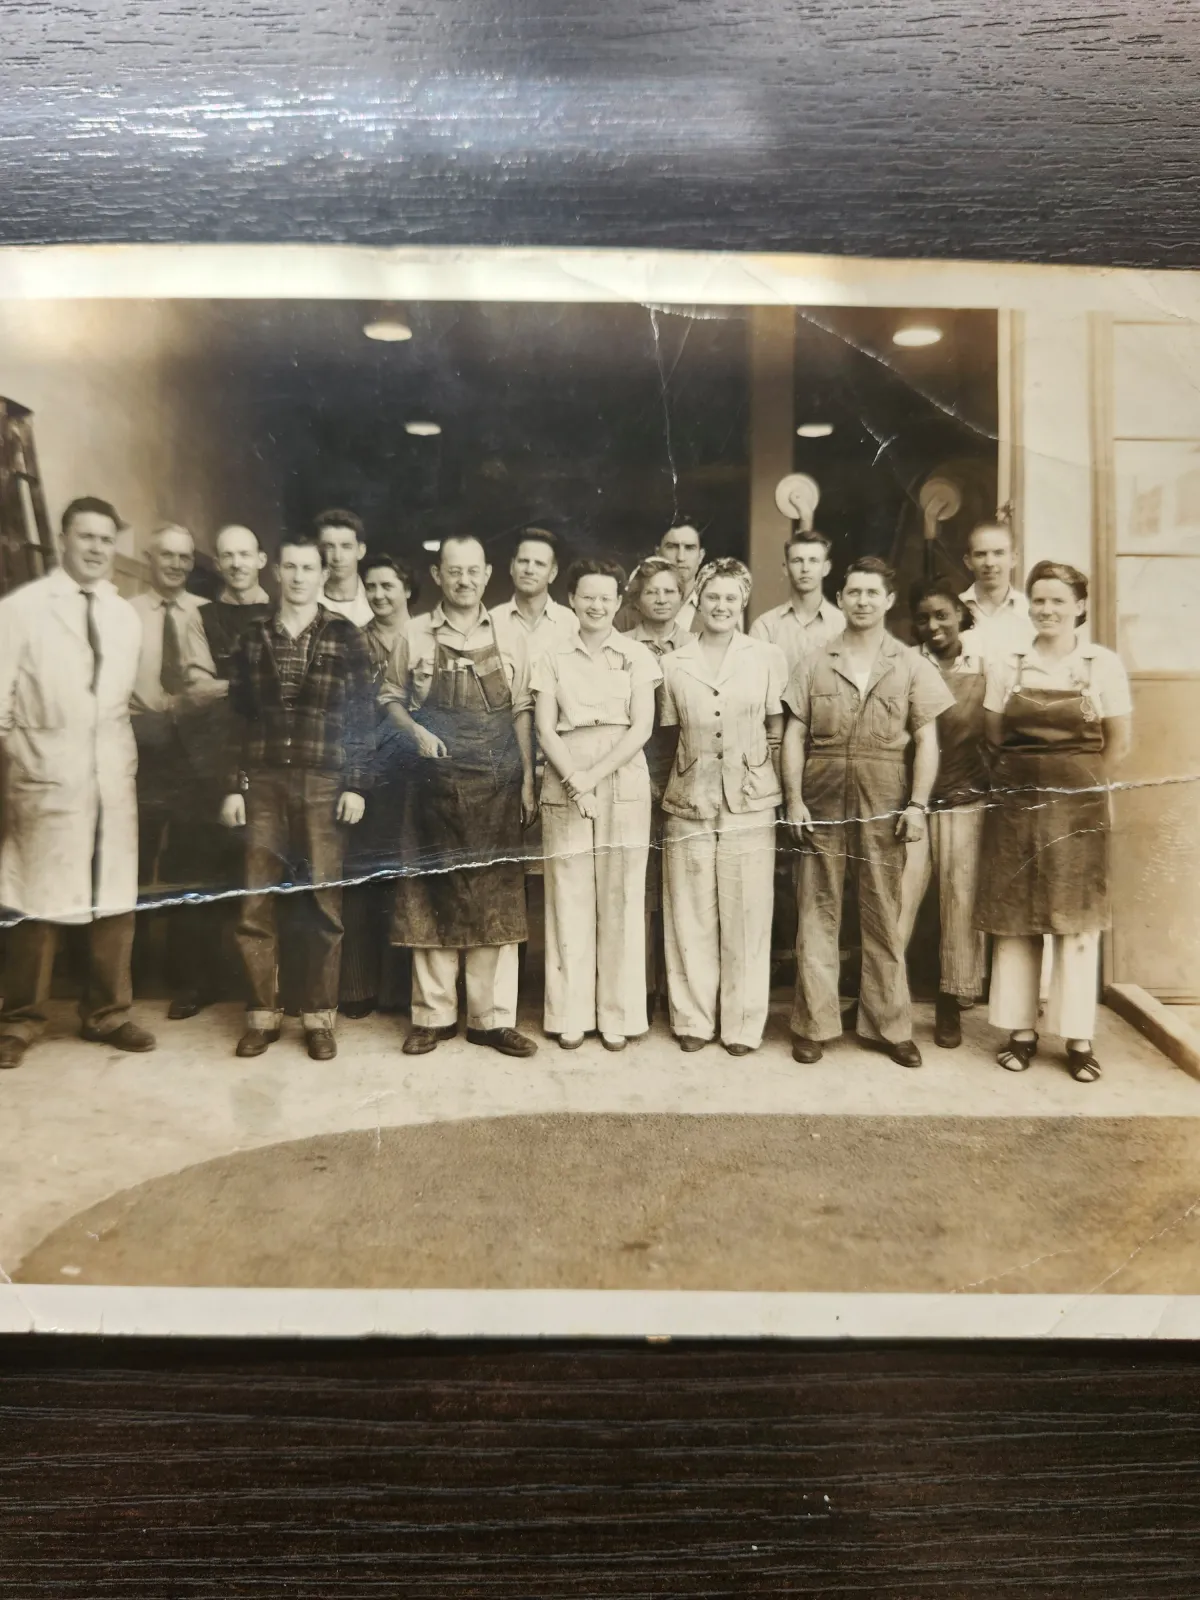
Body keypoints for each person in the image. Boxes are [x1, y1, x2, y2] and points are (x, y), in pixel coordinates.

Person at [0, 497, 155, 1068]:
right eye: (85, 536)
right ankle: (19, 1020)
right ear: (64, 538)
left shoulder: (123, 615)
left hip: (109, 773)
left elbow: (121, 703)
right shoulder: (22, 609)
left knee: (112, 895)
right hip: (42, 771)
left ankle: (108, 1014)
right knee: (34, 898)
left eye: (105, 539)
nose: (95, 548)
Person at [783, 557, 954, 1068]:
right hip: (822, 795)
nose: (861, 601)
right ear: (841, 598)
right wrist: (793, 799)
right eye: (853, 592)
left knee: (882, 912)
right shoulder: (815, 661)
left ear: (888, 600)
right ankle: (813, 1025)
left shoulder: (911, 664)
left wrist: (918, 805)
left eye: (871, 593)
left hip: (885, 798)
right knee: (817, 911)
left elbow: (927, 741)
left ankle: (889, 1026)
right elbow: (793, 736)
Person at [381, 535, 539, 1058]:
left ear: (488, 573)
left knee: (493, 897)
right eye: (454, 571)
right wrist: (416, 733)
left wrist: (527, 781)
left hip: (496, 784)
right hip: (432, 783)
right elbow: (390, 700)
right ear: (437, 574)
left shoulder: (511, 635)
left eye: (473, 571)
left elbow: (521, 711)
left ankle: (491, 1020)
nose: (464, 580)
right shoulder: (414, 634)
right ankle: (432, 1016)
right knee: (430, 894)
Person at [220, 533, 375, 1062]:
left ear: (322, 574)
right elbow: (235, 719)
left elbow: (361, 717)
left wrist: (356, 782)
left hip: (324, 782)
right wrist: (233, 786)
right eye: (290, 566)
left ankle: (318, 1018)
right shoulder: (253, 636)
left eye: (309, 567)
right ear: (277, 572)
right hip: (262, 782)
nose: (299, 576)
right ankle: (262, 1018)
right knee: (255, 901)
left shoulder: (345, 635)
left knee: (322, 902)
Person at [977, 561, 1132, 1082]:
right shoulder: (1009, 663)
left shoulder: (1101, 664)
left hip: (1080, 806)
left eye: (1058, 601)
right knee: (1017, 917)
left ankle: (1078, 1038)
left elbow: (1120, 743)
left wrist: (1079, 786)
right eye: (1039, 600)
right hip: (1018, 805)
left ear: (1079, 607)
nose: (1047, 610)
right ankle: (1020, 1033)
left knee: (1077, 921)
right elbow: (995, 735)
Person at [658, 559, 788, 1055]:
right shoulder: (675, 662)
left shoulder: (766, 656)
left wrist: (760, 770)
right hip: (690, 796)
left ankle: (742, 1025)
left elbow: (776, 726)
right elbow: (669, 733)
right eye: (713, 596)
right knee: (691, 911)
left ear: (744, 603)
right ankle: (693, 1019)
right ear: (698, 599)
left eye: (732, 598)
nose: (721, 606)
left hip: (750, 798)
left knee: (748, 912)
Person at [533, 559, 660, 1050]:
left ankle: (618, 1017)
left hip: (620, 772)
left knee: (621, 895)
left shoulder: (636, 656)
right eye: (588, 596)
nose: (597, 605)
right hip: (566, 767)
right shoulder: (551, 654)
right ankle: (569, 1015)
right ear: (572, 599)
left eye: (607, 597)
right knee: (568, 894)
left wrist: (591, 779)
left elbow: (642, 728)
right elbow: (545, 727)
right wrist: (575, 781)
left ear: (618, 601)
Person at [129, 522, 226, 1019]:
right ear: (148, 556)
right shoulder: (124, 613)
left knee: (191, 865)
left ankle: (189, 980)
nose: (175, 564)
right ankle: (125, 974)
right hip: (141, 745)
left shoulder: (206, 616)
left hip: (193, 754)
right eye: (166, 554)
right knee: (134, 860)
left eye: (185, 557)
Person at [901, 578, 990, 1049]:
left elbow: (994, 731)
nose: (933, 626)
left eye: (942, 615)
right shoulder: (907, 663)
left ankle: (951, 1003)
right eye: (923, 618)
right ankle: (886, 998)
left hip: (965, 798)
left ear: (961, 615)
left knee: (959, 902)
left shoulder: (984, 665)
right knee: (900, 899)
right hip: (914, 800)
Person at [338, 552, 418, 1019]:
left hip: (415, 775)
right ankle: (357, 988)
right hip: (366, 775)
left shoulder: (426, 636)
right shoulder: (353, 641)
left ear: (407, 588)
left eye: (389, 585)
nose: (380, 594)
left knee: (411, 881)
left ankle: (403, 992)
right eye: (372, 586)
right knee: (363, 880)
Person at [622, 556, 689, 1011]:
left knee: (681, 880)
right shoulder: (623, 646)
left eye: (669, 591)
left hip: (686, 766)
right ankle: (640, 987)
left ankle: (676, 988)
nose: (661, 599)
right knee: (639, 880)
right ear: (637, 600)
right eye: (652, 592)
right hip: (636, 766)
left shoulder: (699, 644)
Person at [749, 530, 846, 676]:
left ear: (826, 568)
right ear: (785, 568)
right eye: (797, 561)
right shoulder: (765, 627)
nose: (805, 569)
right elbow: (755, 683)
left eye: (813, 561)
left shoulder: (843, 625)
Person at [490, 527, 577, 664]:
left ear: (552, 573)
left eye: (539, 564)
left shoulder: (572, 624)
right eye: (523, 561)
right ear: (512, 567)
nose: (529, 570)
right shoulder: (491, 622)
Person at [200, 524, 272, 678]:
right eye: (227, 556)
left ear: (261, 560)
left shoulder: (281, 612)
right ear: (217, 564)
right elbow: (201, 687)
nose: (236, 564)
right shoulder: (202, 617)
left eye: (245, 554)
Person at [960, 519, 1036, 661]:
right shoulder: (955, 610)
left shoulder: (1031, 611)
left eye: (999, 553)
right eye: (981, 554)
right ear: (968, 561)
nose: (989, 563)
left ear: (1014, 558)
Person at [618, 520, 707, 634]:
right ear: (658, 552)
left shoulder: (715, 608)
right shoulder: (628, 613)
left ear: (701, 556)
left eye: (689, 548)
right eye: (672, 547)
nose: (681, 557)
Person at [315, 508, 373, 627]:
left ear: (361, 551)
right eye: (329, 546)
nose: (337, 557)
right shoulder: (308, 600)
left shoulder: (376, 600)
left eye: (346, 546)